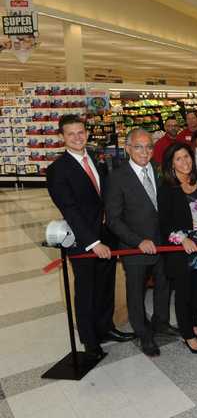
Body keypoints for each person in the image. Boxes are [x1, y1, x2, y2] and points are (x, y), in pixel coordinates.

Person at [47, 115, 134, 360]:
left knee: (105, 286)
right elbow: (70, 210)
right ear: (62, 137)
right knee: (86, 290)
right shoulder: (57, 170)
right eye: (71, 133)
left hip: (107, 235)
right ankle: (89, 339)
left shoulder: (96, 158)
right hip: (84, 241)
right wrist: (93, 243)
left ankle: (105, 328)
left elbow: (104, 194)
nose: (77, 137)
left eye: (80, 132)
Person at [105, 128, 177, 357]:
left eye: (148, 147)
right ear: (127, 149)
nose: (144, 151)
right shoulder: (117, 177)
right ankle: (143, 333)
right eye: (138, 146)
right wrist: (138, 242)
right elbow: (113, 220)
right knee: (136, 292)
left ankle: (161, 322)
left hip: (163, 244)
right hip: (134, 247)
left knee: (164, 286)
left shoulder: (159, 171)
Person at [158, 142, 197, 354]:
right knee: (183, 293)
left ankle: (194, 325)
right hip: (181, 249)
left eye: (187, 156)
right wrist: (182, 239)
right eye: (179, 159)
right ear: (171, 164)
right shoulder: (166, 187)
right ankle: (187, 335)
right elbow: (164, 223)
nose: (185, 162)